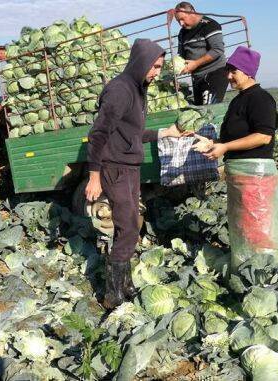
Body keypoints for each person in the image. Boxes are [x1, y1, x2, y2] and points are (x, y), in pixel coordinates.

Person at [85, 38, 187, 309]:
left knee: (130, 224)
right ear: (141, 62)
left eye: (159, 67)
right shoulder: (120, 90)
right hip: (114, 167)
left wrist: (165, 133)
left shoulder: (138, 89)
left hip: (129, 167)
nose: (156, 73)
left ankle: (125, 283)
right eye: (153, 67)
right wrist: (94, 175)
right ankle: (112, 293)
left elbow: (131, 133)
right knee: (128, 226)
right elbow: (98, 134)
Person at [193, 46, 278, 289]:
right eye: (228, 71)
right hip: (240, 173)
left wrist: (225, 147)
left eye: (234, 71)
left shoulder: (261, 98)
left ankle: (266, 279)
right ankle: (249, 271)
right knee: (245, 225)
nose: (229, 76)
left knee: (257, 227)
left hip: (255, 174)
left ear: (248, 71)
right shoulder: (239, 99)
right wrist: (215, 145)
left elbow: (264, 136)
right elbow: (235, 137)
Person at [174, 1, 228, 105]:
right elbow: (181, 56)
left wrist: (195, 64)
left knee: (208, 110)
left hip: (215, 74)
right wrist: (175, 76)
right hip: (197, 78)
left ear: (192, 13)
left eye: (182, 19)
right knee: (199, 111)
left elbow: (218, 50)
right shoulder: (182, 33)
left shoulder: (209, 25)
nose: (181, 23)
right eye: (178, 20)